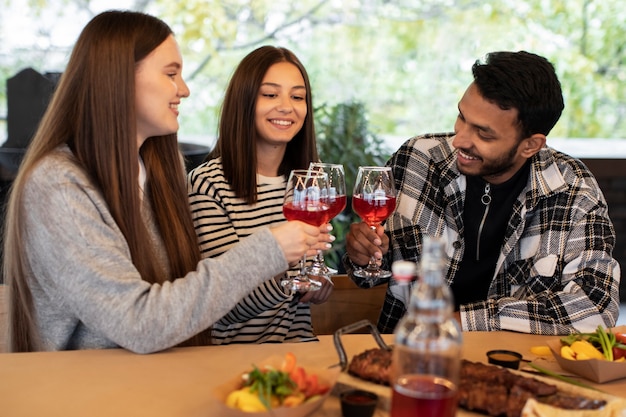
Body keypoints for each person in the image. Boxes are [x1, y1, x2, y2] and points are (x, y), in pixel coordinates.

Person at [3, 11, 330, 354]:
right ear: (118, 79)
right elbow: (139, 323)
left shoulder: (155, 171)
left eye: (298, 96)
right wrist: (272, 249)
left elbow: (182, 301)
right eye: (171, 74)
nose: (184, 90)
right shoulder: (58, 185)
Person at [344, 51, 621, 335]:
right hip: (408, 354)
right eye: (461, 117)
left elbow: (596, 308)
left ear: (530, 145)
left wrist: (459, 322)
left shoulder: (573, 190)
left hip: (518, 367)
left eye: (483, 134)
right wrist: (364, 256)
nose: (460, 139)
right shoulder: (417, 159)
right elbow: (370, 276)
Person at [187, 45, 333, 344]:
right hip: (233, 362)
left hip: (300, 354)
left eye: (297, 96)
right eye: (270, 94)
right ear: (244, 102)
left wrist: (317, 283)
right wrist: (288, 271)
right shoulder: (208, 184)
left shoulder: (308, 185)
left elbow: (306, 281)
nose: (286, 106)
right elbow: (224, 306)